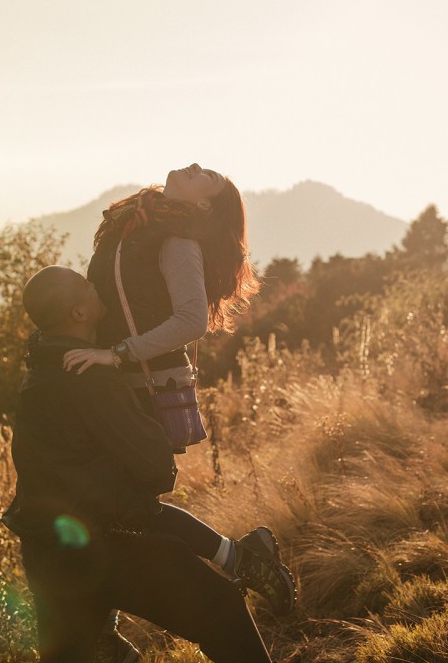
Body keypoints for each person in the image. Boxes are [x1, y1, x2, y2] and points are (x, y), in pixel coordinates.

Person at [2, 265, 274, 663]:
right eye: (87, 286)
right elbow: (154, 468)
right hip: (112, 548)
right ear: (78, 314)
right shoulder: (90, 378)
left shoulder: (41, 371)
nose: (96, 287)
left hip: (46, 555)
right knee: (221, 612)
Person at [61, 164, 297, 620]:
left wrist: (117, 353)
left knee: (126, 510)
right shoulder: (133, 225)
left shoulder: (177, 241)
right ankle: (238, 562)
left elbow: (191, 321)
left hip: (147, 388)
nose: (194, 166)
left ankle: (238, 567)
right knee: (113, 513)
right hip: (119, 387)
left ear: (204, 203)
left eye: (206, 175)